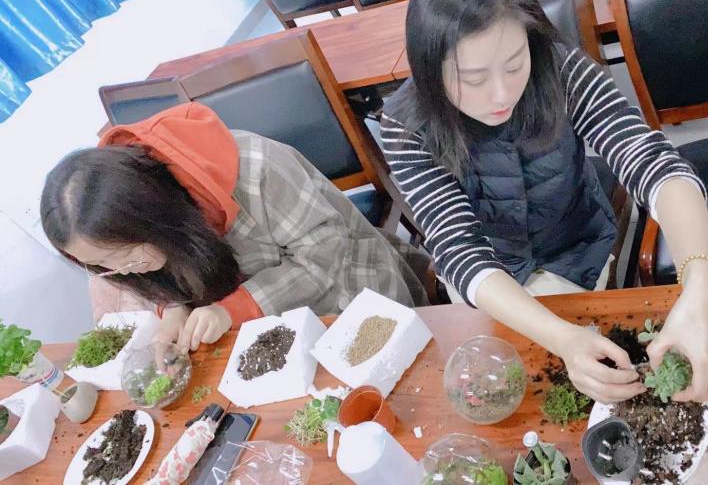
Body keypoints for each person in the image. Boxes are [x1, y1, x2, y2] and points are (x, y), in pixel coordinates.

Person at [381, 0, 708, 405]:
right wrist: (564, 339)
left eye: (514, 63)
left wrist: (700, 284)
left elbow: (650, 161)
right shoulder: (407, 126)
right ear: (430, 69)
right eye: (473, 79)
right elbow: (460, 249)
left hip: (579, 252)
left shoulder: (560, 70)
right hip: (494, 290)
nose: (501, 94)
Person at [41, 103, 430, 352]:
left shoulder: (256, 168)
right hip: (271, 331)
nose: (123, 272)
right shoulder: (136, 237)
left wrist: (235, 309)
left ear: (152, 214)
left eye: (123, 256)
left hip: (351, 297)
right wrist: (174, 309)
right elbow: (176, 272)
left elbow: (327, 254)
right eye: (103, 267)